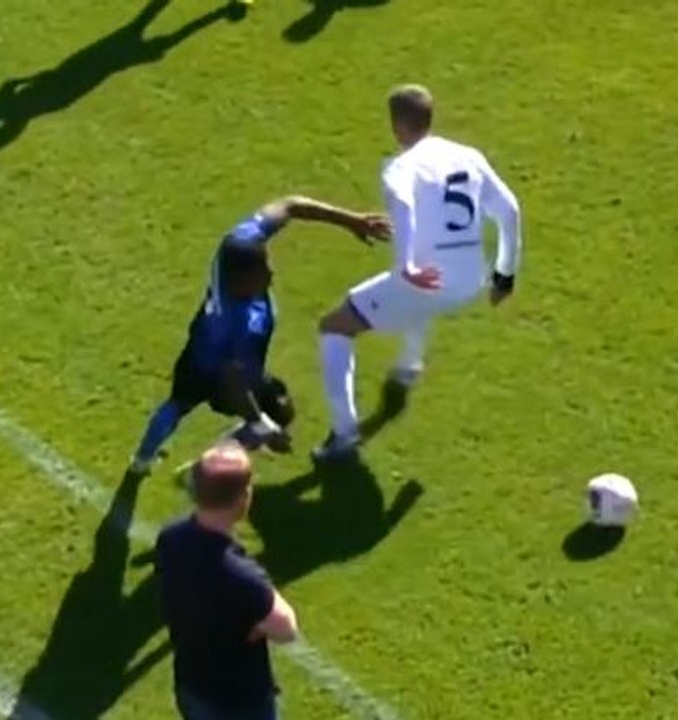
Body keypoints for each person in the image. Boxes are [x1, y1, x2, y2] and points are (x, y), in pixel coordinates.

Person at [312, 84, 523, 460]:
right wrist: (505, 275)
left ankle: (344, 436)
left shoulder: (400, 167)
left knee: (335, 326)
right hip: (471, 278)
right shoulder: (467, 155)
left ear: (396, 126)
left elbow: (405, 207)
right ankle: (409, 366)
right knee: (412, 302)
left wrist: (405, 265)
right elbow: (509, 211)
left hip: (426, 280)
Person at [129, 196, 390, 475]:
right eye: (262, 272)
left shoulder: (238, 243)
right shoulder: (239, 324)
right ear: (241, 281)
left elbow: (290, 206)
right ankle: (201, 469)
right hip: (220, 373)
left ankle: (142, 462)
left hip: (198, 352)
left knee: (179, 404)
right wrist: (261, 425)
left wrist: (352, 220)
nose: (271, 272)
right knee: (276, 410)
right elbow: (234, 382)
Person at [156, 441, 297, 720]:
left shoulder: (171, 537)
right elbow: (285, 628)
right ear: (243, 498)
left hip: (192, 684)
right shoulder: (241, 575)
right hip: (238, 702)